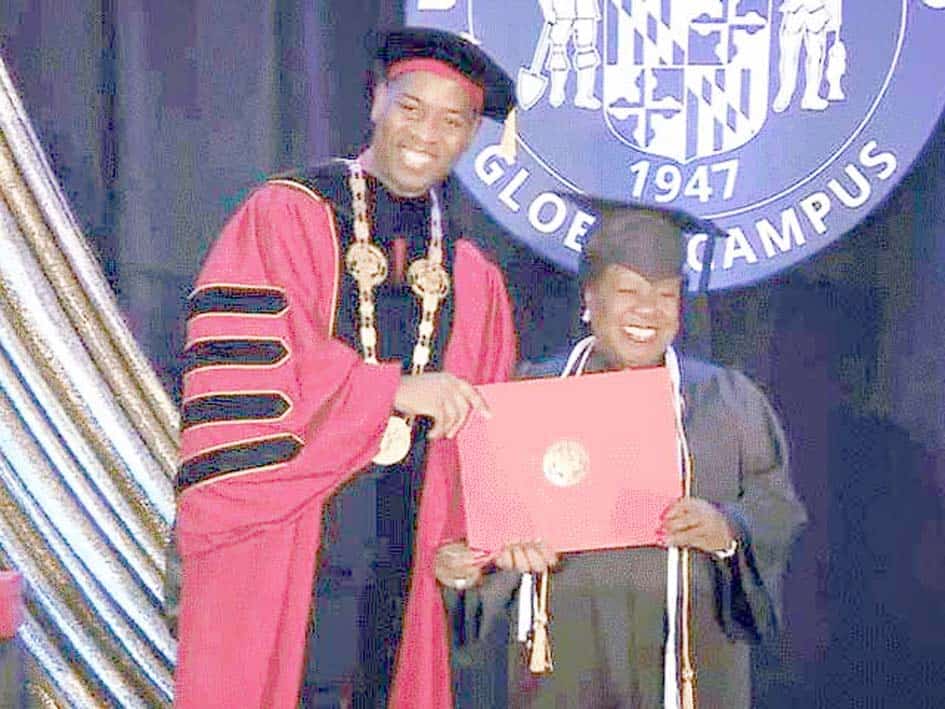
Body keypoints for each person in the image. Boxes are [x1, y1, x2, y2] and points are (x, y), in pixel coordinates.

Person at [172, 27, 520, 708]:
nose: (427, 134)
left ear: (470, 137)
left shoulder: (473, 273)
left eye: (452, 121)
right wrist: (394, 391)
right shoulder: (286, 214)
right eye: (411, 108)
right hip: (285, 536)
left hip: (401, 558)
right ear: (376, 102)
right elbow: (250, 375)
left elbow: (484, 441)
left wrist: (469, 543)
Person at [430, 199, 808, 707]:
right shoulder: (529, 394)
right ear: (591, 298)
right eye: (628, 292)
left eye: (666, 295)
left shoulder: (728, 400)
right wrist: (488, 562)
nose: (648, 311)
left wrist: (727, 531)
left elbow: (776, 510)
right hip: (563, 667)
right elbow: (477, 546)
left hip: (690, 670)